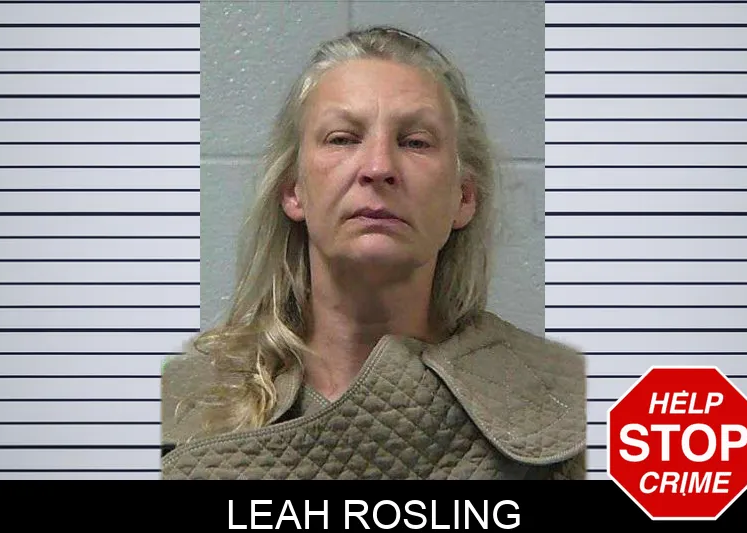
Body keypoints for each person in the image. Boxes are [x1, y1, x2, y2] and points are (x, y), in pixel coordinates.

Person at [161, 25, 586, 480]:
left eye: (415, 142)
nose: (379, 167)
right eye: (343, 139)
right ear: (293, 191)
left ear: (463, 198)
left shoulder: (579, 406)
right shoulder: (174, 407)